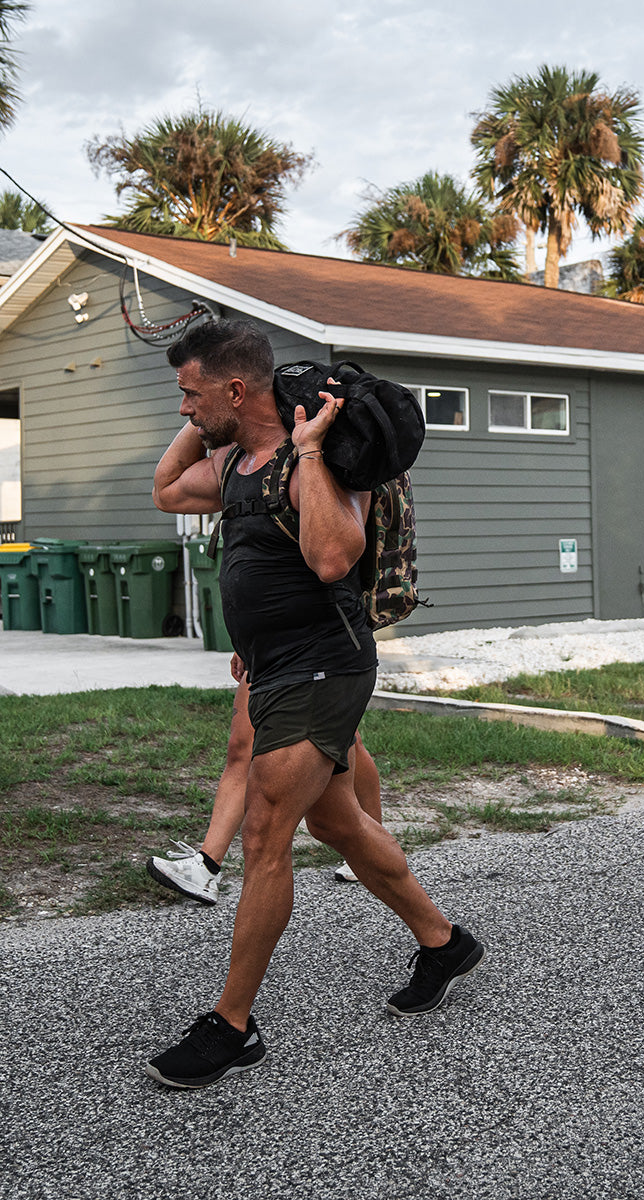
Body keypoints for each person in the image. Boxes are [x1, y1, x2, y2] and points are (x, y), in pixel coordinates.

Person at [145, 318, 483, 1090]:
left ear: (238, 389)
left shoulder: (318, 462)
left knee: (266, 833)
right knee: (340, 823)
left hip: (324, 670)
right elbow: (166, 490)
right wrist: (197, 423)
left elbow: (334, 555)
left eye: (193, 395)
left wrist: (305, 450)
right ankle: (443, 943)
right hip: (273, 670)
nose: (185, 411)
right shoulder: (235, 459)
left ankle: (232, 1027)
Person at [147, 655, 380, 905]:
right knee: (242, 747)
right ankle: (206, 866)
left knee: (346, 739)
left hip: (319, 648)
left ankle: (371, 850)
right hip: (270, 643)